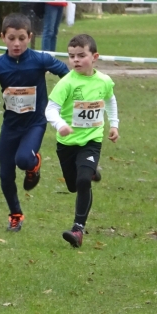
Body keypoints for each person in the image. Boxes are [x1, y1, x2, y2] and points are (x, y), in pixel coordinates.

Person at [0, 13, 70, 231]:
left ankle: (34, 164)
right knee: (6, 175)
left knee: (23, 159)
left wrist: (63, 99)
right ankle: (16, 214)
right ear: (2, 37)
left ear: (30, 37)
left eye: (22, 38)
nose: (17, 43)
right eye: (12, 38)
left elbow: (67, 74)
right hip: (11, 127)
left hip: (35, 123)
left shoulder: (39, 60)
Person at [46, 34, 119, 248]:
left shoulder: (104, 81)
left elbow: (110, 100)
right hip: (67, 143)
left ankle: (78, 229)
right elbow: (50, 109)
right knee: (73, 185)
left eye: (81, 55)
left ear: (94, 56)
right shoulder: (66, 83)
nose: (75, 60)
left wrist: (114, 124)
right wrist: (60, 125)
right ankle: (91, 170)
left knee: (83, 181)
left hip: (91, 140)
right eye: (71, 56)